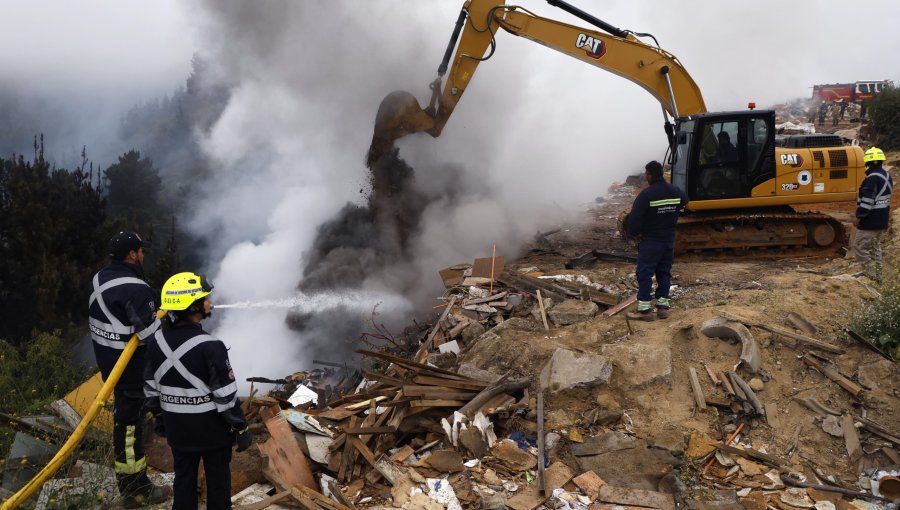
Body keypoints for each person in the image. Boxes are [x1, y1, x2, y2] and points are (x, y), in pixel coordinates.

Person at [144, 272, 251, 510]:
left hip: (178, 431)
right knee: (219, 486)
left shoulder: (155, 342)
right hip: (213, 433)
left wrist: (160, 418)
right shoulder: (211, 346)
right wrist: (241, 427)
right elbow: (225, 396)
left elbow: (150, 388)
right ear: (192, 305)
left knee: (183, 484)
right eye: (205, 298)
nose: (209, 303)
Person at [89, 232, 171, 507]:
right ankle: (135, 489)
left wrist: (160, 299)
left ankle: (132, 484)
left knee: (127, 423)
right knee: (129, 428)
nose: (144, 255)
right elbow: (152, 335)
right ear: (132, 254)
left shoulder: (101, 277)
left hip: (110, 364)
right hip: (130, 370)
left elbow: (127, 307)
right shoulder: (135, 288)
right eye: (141, 251)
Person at [625, 161, 689, 321]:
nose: (646, 177)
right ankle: (662, 307)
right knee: (664, 272)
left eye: (646, 174)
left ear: (650, 175)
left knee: (645, 273)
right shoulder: (675, 191)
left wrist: (635, 234)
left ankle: (645, 310)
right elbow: (685, 201)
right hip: (668, 240)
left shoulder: (646, 195)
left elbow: (634, 220)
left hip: (651, 241)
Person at [851, 147, 893, 280]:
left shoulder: (872, 178)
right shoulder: (886, 176)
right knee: (875, 248)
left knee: (859, 246)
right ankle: (878, 276)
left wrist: (859, 216)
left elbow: (867, 201)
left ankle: (871, 274)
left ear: (868, 162)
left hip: (870, 220)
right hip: (882, 219)